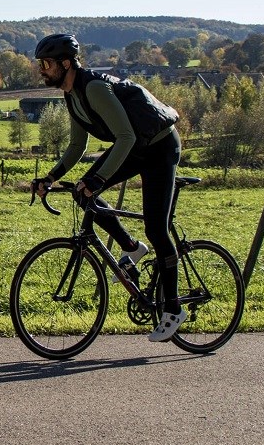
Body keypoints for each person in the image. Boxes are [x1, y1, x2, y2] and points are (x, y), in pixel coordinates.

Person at [30, 33, 185, 342]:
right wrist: (50, 177)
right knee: (81, 192)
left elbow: (124, 136)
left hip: (159, 148)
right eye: (41, 64)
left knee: (157, 229)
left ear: (65, 63)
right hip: (134, 147)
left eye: (47, 64)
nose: (42, 70)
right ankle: (131, 248)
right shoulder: (71, 95)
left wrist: (98, 179)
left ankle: (173, 308)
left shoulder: (94, 88)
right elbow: (77, 145)